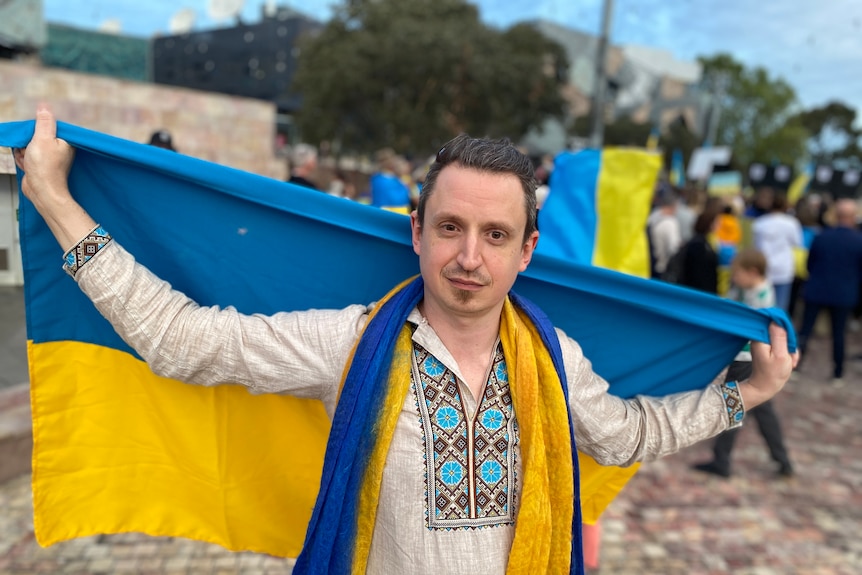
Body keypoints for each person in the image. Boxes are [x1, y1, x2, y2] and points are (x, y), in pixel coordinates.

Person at [14, 107, 796, 574]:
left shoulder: (556, 362)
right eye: (450, 227)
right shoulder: (352, 345)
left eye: (496, 234)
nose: (469, 256)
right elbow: (181, 341)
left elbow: (626, 434)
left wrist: (745, 395)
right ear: (416, 231)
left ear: (527, 251)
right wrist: (53, 197)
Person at [692, 248, 795, 478]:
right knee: (759, 409)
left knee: (733, 408)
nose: (734, 277)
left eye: (737, 273)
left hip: (745, 361)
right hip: (744, 360)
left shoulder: (760, 299)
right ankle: (781, 458)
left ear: (752, 272)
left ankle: (723, 459)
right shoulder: (745, 289)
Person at [797, 199, 862, 384]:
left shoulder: (822, 236)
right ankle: (838, 372)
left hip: (817, 289)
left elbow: (809, 263)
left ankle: (795, 366)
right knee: (839, 334)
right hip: (844, 293)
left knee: (805, 331)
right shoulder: (858, 240)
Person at [752, 192, 803, 312]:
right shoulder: (792, 223)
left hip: (764, 266)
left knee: (760, 304)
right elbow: (797, 243)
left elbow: (754, 244)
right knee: (779, 307)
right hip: (783, 268)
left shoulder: (760, 222)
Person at [648, 186, 682, 279]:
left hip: (649, 264)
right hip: (663, 268)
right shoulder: (670, 223)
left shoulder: (651, 217)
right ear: (673, 206)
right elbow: (674, 248)